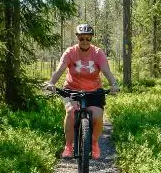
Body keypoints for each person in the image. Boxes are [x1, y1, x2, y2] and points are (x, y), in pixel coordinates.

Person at [45, 24, 119, 159]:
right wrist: (51, 83)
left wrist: (114, 84)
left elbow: (106, 71)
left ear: (91, 38)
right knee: (71, 112)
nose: (85, 41)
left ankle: (94, 143)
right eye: (81, 38)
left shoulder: (98, 53)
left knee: (97, 116)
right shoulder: (70, 52)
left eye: (88, 38)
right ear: (77, 38)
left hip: (94, 91)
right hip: (71, 90)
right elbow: (60, 69)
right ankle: (68, 146)